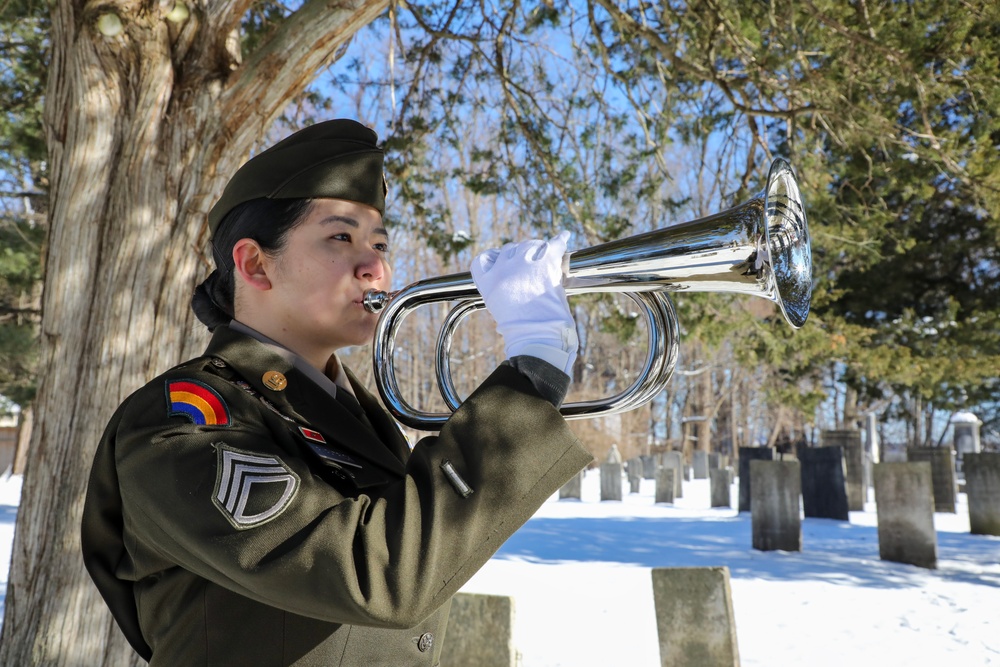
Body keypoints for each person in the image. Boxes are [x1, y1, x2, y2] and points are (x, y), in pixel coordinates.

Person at [81, 119, 592, 666]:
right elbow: (378, 576)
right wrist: (532, 372)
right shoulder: (183, 420)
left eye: (379, 243)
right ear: (255, 264)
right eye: (340, 238)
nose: (376, 266)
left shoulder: (349, 414)